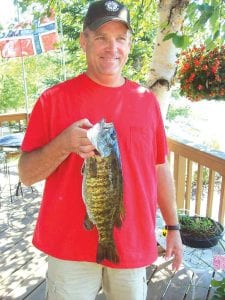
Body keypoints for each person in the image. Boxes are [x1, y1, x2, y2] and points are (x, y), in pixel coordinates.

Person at [18, 0, 183, 299]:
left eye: (120, 39)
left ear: (130, 44)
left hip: (132, 243)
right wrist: (63, 144)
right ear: (84, 40)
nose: (112, 47)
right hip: (69, 249)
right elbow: (27, 175)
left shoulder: (146, 101)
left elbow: (159, 167)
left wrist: (173, 227)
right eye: (101, 38)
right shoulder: (53, 99)